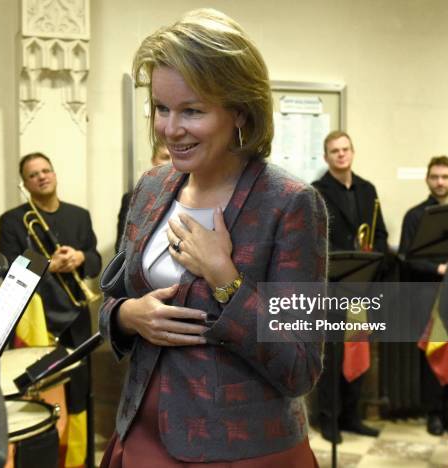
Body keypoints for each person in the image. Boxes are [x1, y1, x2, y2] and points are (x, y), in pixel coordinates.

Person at [99, 9, 327, 467]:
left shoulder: (289, 204)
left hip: (241, 448)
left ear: (239, 110)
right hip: (140, 429)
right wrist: (128, 315)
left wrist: (225, 278)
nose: (170, 129)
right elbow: (112, 301)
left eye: (192, 111)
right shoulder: (151, 187)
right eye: (162, 108)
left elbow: (301, 366)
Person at [0, 152, 102, 466]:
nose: (42, 177)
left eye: (46, 170)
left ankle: (78, 460)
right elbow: (7, 267)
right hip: (38, 324)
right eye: (33, 174)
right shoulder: (13, 220)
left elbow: (95, 260)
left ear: (54, 174)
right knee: (40, 398)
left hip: (77, 321)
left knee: (79, 395)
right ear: (25, 184)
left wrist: (80, 258)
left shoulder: (79, 215)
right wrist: (45, 265)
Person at [312, 130, 387, 443]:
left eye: (345, 149)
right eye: (334, 151)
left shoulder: (368, 189)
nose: (341, 155)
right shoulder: (316, 191)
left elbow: (380, 234)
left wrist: (371, 263)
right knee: (331, 355)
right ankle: (328, 419)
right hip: (333, 285)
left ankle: (352, 416)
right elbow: (314, 240)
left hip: (362, 286)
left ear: (352, 153)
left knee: (358, 349)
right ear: (326, 157)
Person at [398, 155, 448, 438]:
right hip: (430, 297)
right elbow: (408, 258)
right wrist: (441, 268)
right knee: (433, 356)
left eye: (445, 176)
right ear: (427, 180)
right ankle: (433, 415)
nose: (440, 182)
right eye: (435, 177)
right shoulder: (416, 215)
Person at [115, 142, 171, 252]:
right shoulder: (133, 198)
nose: (171, 163)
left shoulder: (188, 197)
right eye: (165, 157)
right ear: (154, 160)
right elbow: (122, 249)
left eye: (175, 157)